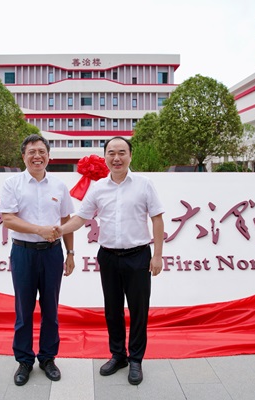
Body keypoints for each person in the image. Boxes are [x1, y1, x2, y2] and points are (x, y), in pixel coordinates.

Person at [57, 136, 164, 385]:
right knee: (112, 309)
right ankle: (118, 355)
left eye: (122, 152)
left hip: (138, 255)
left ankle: (136, 359)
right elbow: (80, 218)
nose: (117, 158)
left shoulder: (144, 184)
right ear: (105, 157)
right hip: (108, 256)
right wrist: (57, 230)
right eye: (111, 153)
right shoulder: (98, 188)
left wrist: (157, 255)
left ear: (130, 155)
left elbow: (157, 218)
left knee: (138, 310)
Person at [0, 134, 75, 386]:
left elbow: (66, 221)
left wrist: (70, 253)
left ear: (48, 156)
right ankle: (24, 360)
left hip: (53, 253)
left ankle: (48, 358)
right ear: (23, 156)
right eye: (31, 152)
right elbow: (8, 219)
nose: (37, 156)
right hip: (23, 253)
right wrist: (38, 230)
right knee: (24, 309)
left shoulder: (59, 186)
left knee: (51, 309)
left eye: (42, 151)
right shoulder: (12, 184)